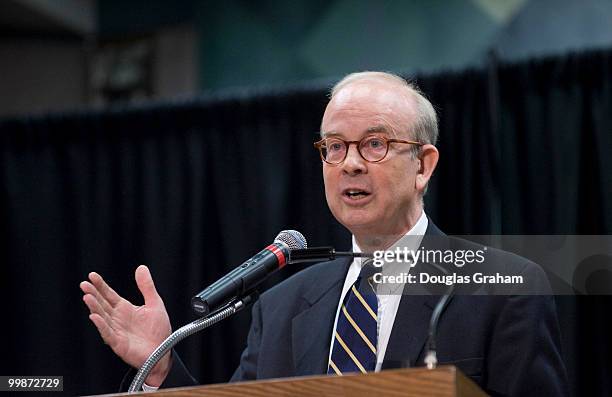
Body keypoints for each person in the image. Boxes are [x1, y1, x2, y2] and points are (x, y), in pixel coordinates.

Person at [80, 71, 568, 396]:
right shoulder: (281, 306)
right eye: (334, 147)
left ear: (423, 164)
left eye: (374, 144)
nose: (350, 163)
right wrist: (161, 367)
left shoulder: (503, 288)